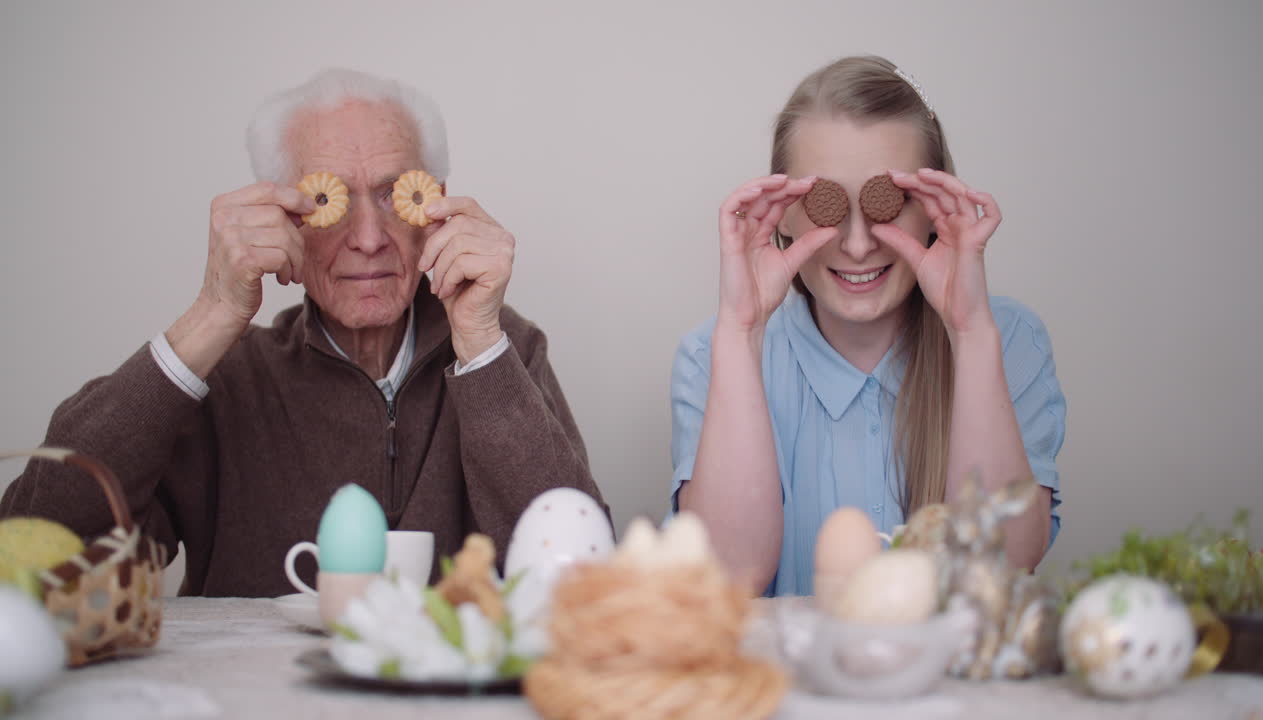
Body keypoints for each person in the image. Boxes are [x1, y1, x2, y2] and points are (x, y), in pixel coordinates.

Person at [1, 69, 606, 597]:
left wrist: (482, 347)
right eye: (330, 200)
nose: (368, 238)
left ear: (436, 210)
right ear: (281, 216)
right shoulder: (228, 377)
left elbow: (584, 576)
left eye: (396, 196)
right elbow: (36, 547)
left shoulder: (505, 351)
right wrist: (212, 313)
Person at [669, 56, 1065, 596]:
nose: (858, 246)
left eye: (890, 204)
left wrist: (970, 333)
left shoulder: (1010, 340)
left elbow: (1002, 567)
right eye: (823, 204)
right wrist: (741, 332)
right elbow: (725, 581)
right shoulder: (711, 356)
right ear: (780, 212)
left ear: (933, 208)